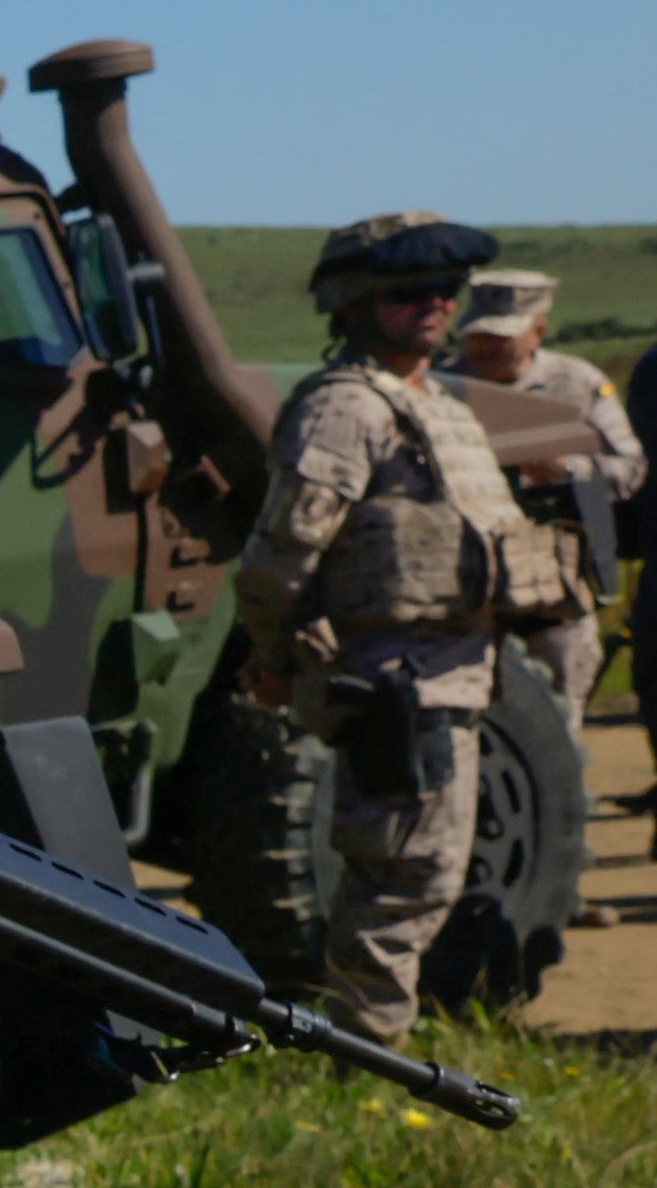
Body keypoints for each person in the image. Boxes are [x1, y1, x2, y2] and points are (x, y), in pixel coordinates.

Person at [235, 211, 578, 1036]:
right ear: (350, 303)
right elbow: (280, 557)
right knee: (402, 877)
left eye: (443, 291)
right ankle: (365, 1052)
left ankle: (376, 1042)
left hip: (458, 675)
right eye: (405, 293)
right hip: (396, 684)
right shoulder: (346, 409)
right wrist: (276, 655)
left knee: (427, 869)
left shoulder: (443, 407)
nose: (432, 305)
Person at [449, 263, 636, 719]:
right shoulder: (441, 385)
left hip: (555, 585)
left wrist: (565, 469)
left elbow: (628, 469)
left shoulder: (578, 384)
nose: (487, 347)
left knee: (557, 713)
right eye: (480, 336)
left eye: (502, 337)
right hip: (461, 582)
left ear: (538, 331)